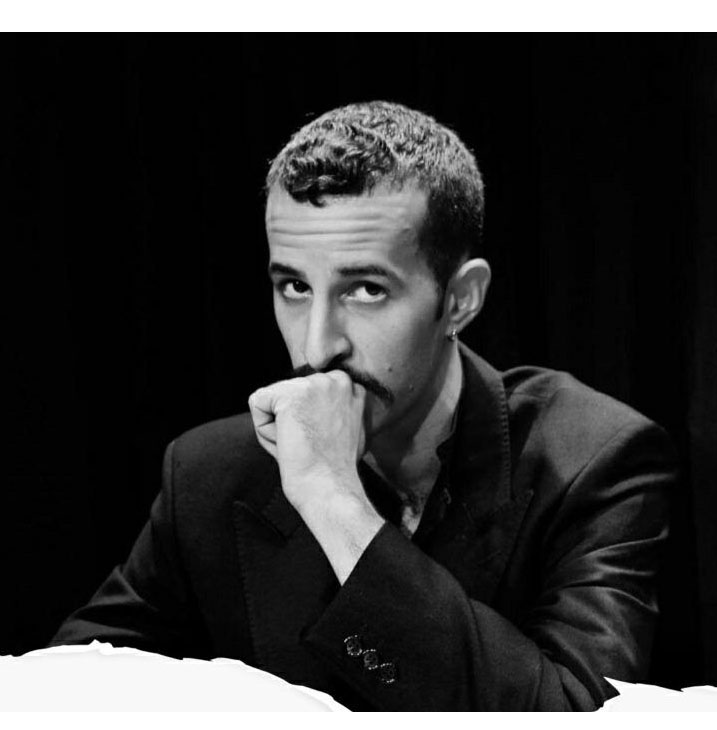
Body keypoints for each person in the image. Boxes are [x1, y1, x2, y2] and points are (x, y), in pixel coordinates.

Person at [50, 101, 674, 711]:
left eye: (366, 290)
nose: (317, 347)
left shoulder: (596, 459)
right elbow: (65, 688)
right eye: (294, 286)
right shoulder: (208, 472)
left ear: (461, 299)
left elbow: (574, 714)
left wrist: (333, 501)